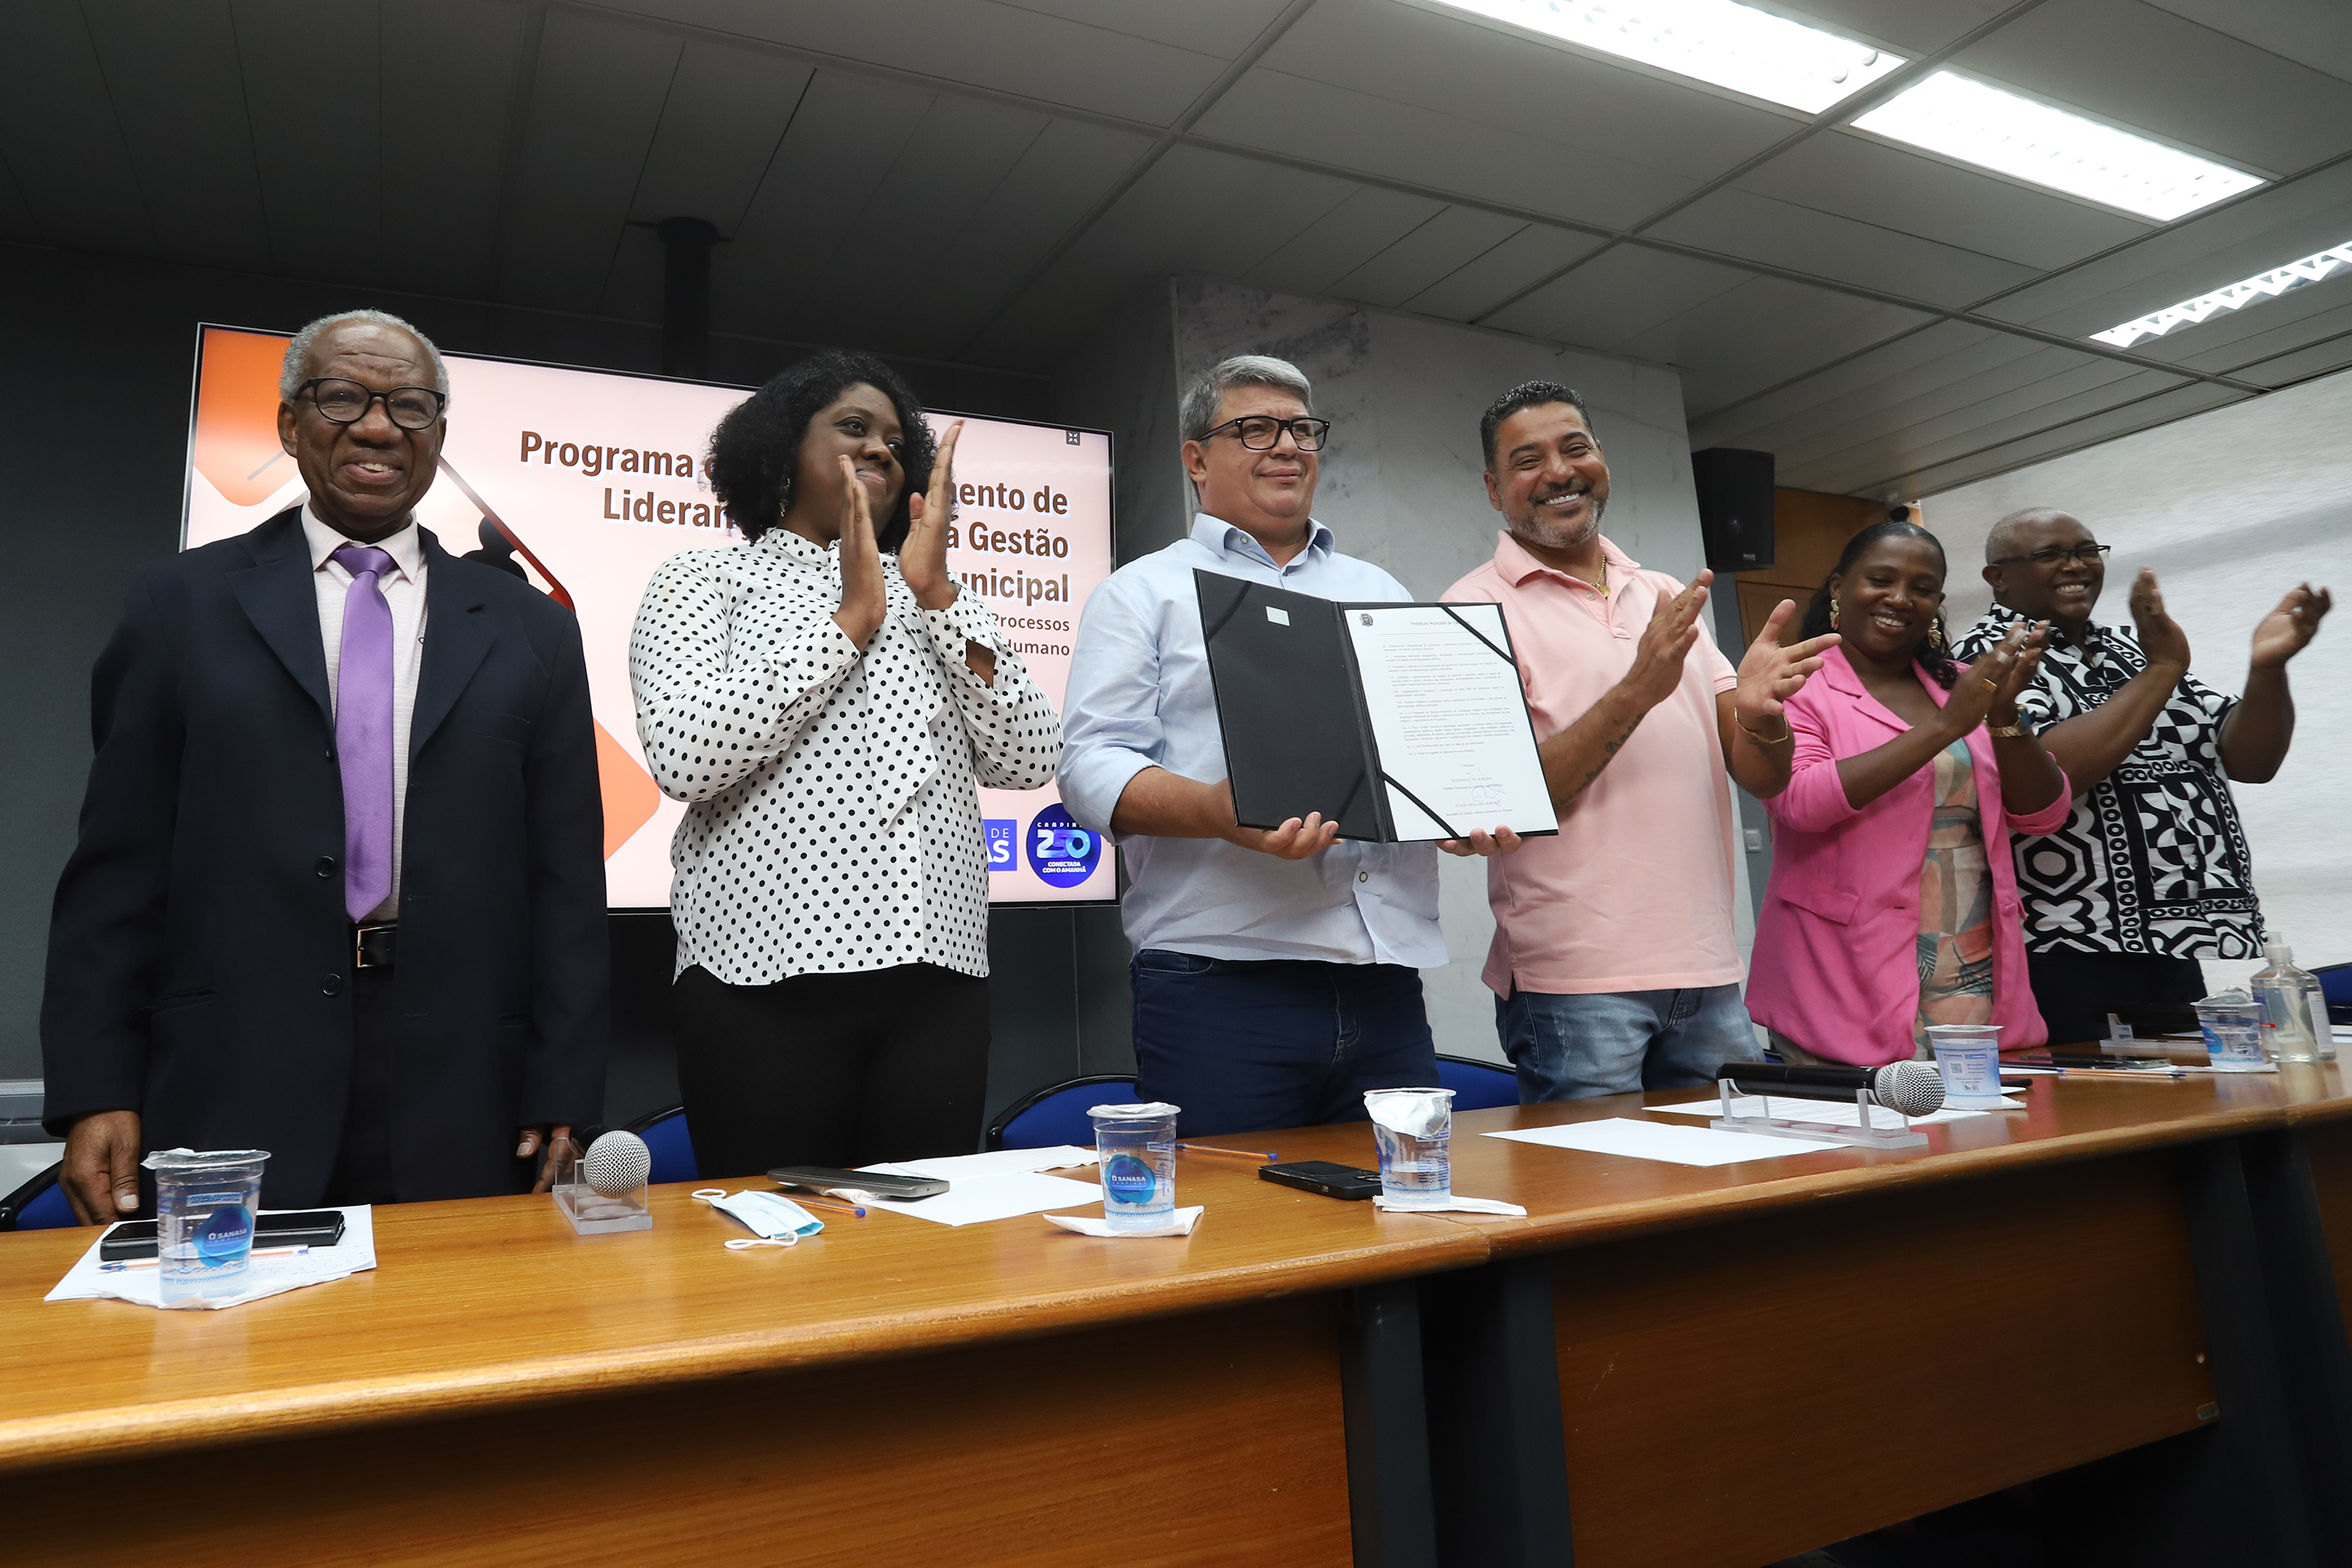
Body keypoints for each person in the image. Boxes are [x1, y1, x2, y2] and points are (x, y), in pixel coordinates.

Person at [41, 310, 609, 1221]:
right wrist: (96, 1083)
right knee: (232, 1352)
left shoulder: (531, 629)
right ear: (288, 424)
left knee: (460, 1343)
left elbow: (567, 879)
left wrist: (569, 1082)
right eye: (343, 396)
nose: (378, 426)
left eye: (410, 405)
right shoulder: (178, 602)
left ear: (438, 436)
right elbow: (119, 867)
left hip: (470, 1081)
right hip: (233, 1067)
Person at [1058, 355, 1515, 1138]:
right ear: (1196, 459)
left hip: (1383, 979)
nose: (1288, 445)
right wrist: (1210, 806)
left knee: (1404, 1227)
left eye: (1303, 429)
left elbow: (1414, 753)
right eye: (1255, 428)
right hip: (1219, 984)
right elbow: (1090, 770)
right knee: (1248, 1240)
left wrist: (1457, 805)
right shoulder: (1142, 590)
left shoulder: (1379, 589)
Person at [629, 351, 1060, 1177]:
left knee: (920, 1262)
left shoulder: (935, 595)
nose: (882, 450)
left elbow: (1029, 753)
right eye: (853, 428)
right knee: (779, 1258)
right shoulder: (705, 579)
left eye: (897, 442)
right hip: (761, 977)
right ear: (783, 447)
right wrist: (847, 623)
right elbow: (686, 755)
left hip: (938, 983)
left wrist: (934, 596)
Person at [1443, 382, 1837, 1100]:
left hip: (1711, 970)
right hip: (1575, 982)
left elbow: (1763, 775)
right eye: (1527, 460)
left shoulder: (1661, 592)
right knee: (1606, 1201)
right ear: (1493, 488)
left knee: (1723, 1200)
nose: (1559, 472)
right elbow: (1495, 799)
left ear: (1602, 460)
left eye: (1575, 448)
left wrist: (1762, 713)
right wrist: (1636, 689)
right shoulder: (1468, 609)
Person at [1951, 509, 2331, 1044]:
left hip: (2175, 944)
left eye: (2086, 550)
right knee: (2104, 1115)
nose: (2076, 565)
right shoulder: (1983, 658)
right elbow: (2048, 777)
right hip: (2069, 946)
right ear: (1999, 578)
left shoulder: (2135, 647)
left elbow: (2250, 760)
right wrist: (2162, 672)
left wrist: (2267, 669)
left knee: (2199, 1112)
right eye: (2050, 554)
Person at [1746, 520, 2074, 1065]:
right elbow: (1798, 801)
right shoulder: (1798, 684)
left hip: (1975, 966)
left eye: (1922, 589)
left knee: (1993, 1143)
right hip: (1843, 980)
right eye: (1880, 579)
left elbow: (2044, 813)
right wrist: (1947, 727)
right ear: (1837, 588)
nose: (1900, 598)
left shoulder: (1962, 683)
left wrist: (2002, 716)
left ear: (1938, 603)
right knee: (1868, 1149)